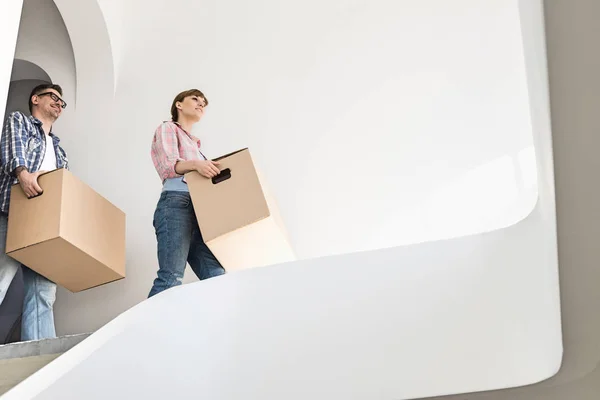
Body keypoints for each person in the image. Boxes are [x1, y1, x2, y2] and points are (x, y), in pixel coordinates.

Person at [0, 83, 69, 341]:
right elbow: (13, 151)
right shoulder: (20, 121)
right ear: (35, 99)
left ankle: (40, 354)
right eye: (54, 97)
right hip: (13, 210)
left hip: (45, 223)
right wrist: (23, 174)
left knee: (43, 292)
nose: (59, 103)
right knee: (1, 278)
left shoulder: (60, 150)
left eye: (62, 102)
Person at [148, 89, 226, 298]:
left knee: (218, 276)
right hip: (176, 204)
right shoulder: (167, 128)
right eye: (195, 99)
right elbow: (167, 165)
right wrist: (196, 165)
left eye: (204, 102)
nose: (201, 104)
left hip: (198, 208)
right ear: (179, 105)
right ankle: (146, 329)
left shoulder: (196, 146)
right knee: (171, 277)